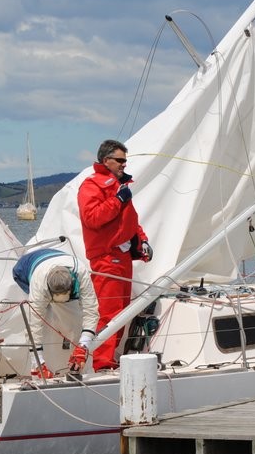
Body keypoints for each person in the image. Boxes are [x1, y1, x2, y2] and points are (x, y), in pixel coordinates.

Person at [77, 139, 152, 371]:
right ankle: (102, 363)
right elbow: (93, 218)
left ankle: (108, 361)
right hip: (107, 258)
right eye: (119, 160)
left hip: (122, 258)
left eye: (125, 161)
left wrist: (143, 240)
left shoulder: (118, 187)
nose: (123, 164)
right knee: (109, 312)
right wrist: (117, 200)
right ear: (105, 160)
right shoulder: (92, 187)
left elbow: (130, 219)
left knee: (120, 311)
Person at [12, 248, 99, 378]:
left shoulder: (81, 273)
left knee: (76, 323)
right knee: (43, 320)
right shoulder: (39, 287)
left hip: (58, 259)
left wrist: (83, 346)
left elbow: (91, 311)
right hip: (24, 270)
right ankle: (38, 368)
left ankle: (82, 367)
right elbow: (34, 325)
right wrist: (38, 362)